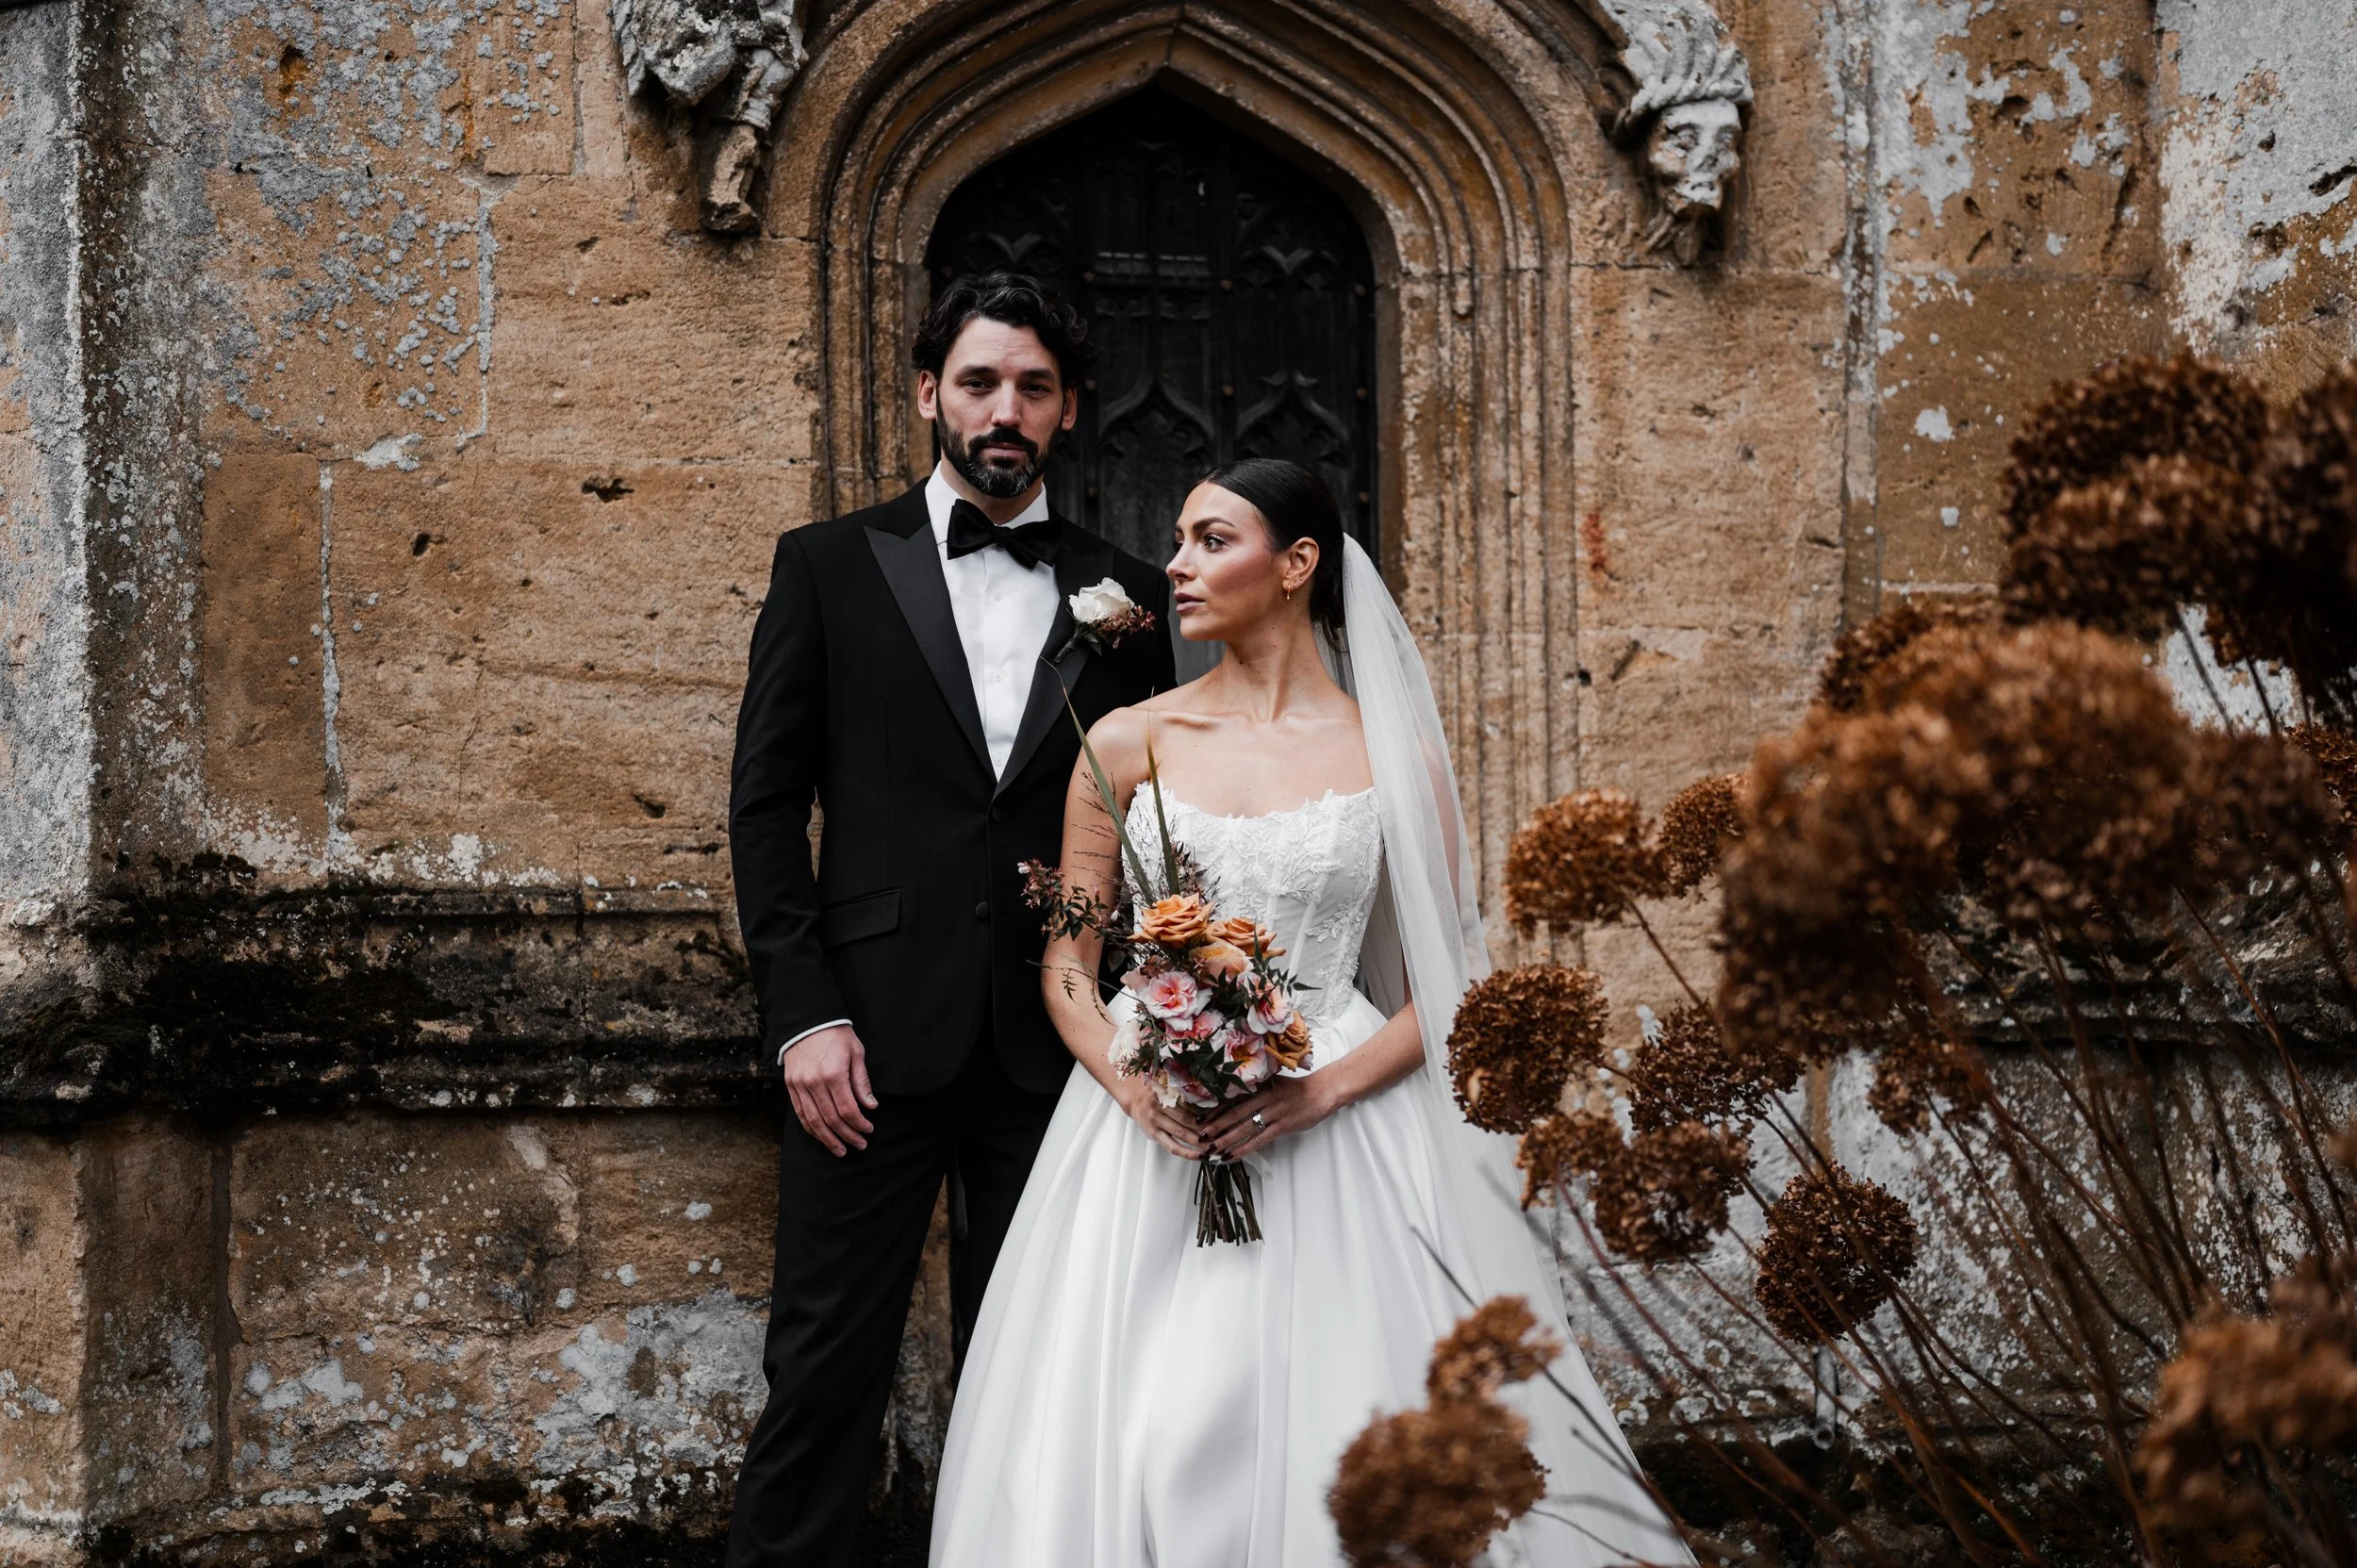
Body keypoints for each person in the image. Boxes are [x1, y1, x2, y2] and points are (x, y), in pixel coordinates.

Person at [928, 457, 1691, 1566]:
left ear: (1296, 565)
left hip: (1340, 1125)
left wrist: (1319, 1088)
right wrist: (1137, 1084)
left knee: (1340, 1422)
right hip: (1150, 1134)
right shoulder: (1128, 740)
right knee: (1166, 1433)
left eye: (1210, 540)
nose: (1176, 564)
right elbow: (1066, 966)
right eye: (1180, 539)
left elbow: (1450, 989)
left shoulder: (1393, 752)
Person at [724, 272, 1176, 1568]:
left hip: (1060, 1047)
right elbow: (765, 810)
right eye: (979, 381)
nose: (1004, 408)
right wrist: (802, 1010)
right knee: (819, 1373)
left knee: (1044, 1377)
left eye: (1033, 386)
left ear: (1071, 410)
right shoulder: (825, 567)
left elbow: (1152, 829)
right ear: (929, 393)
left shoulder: (1128, 595)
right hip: (860, 1044)